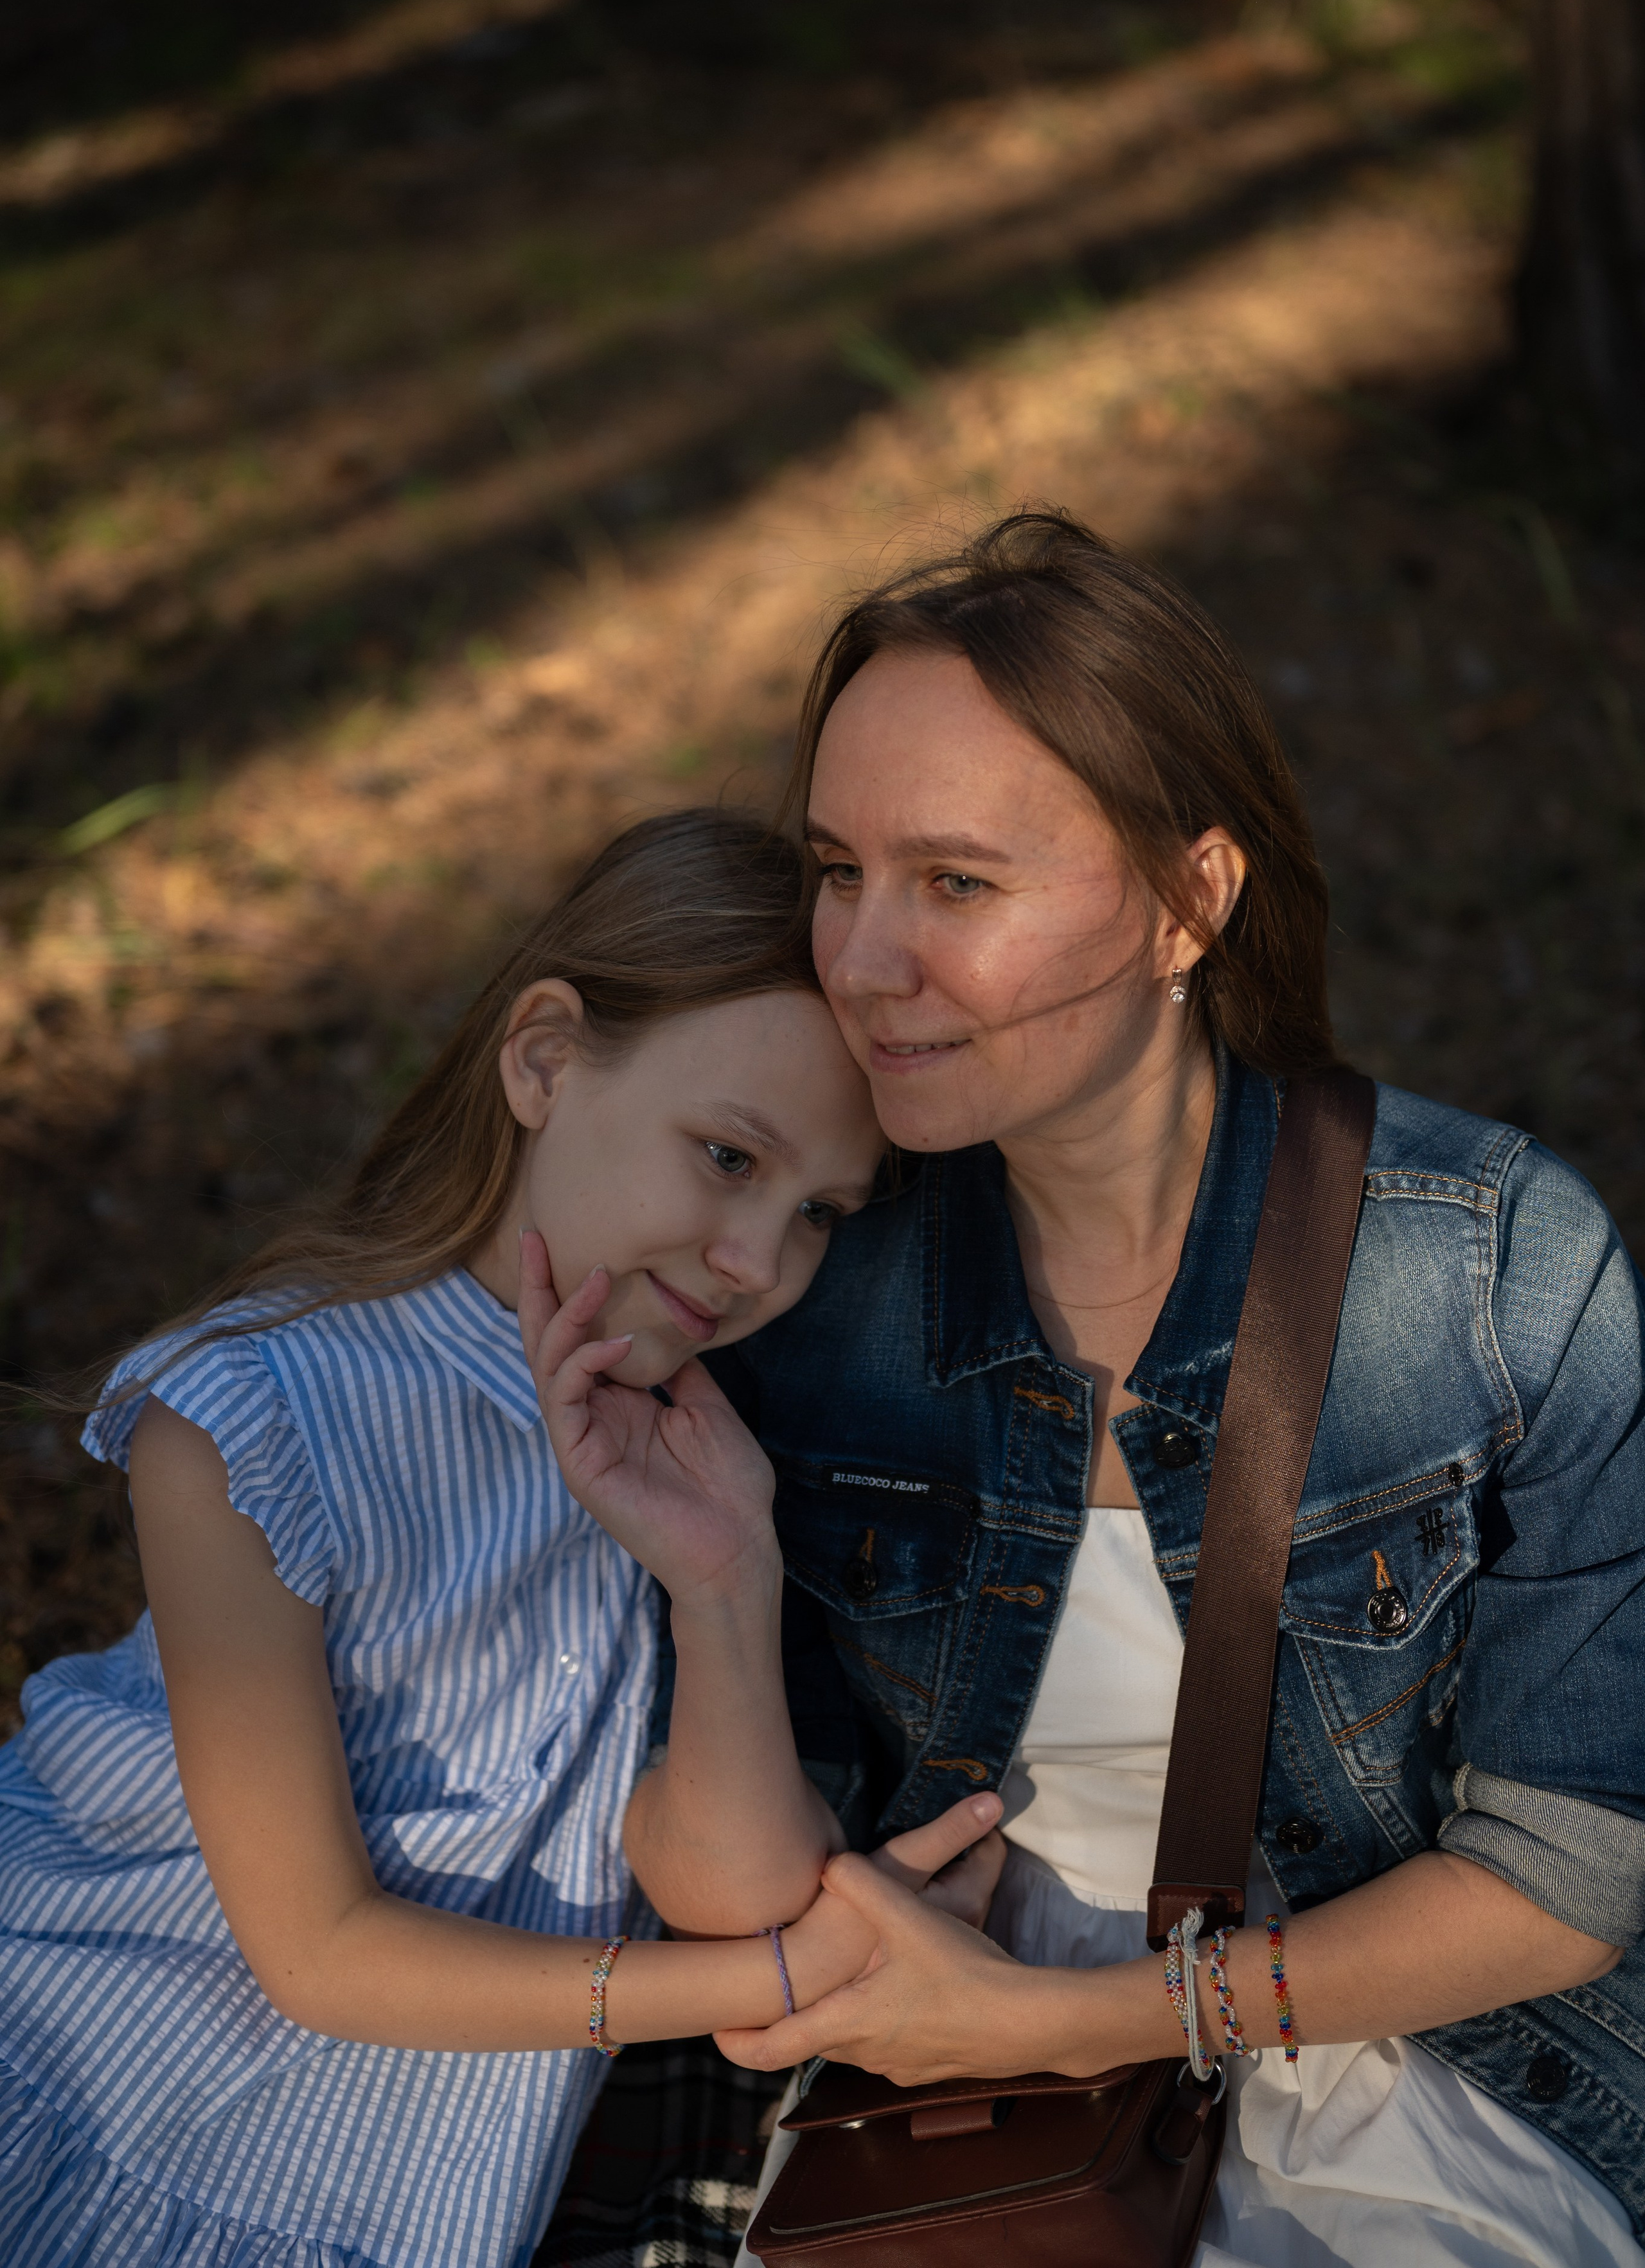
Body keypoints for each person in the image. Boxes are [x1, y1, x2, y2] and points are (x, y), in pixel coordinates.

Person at [618, 518, 1645, 2264]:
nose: (863, 961)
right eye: (839, 869)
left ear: (1192, 901)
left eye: (955, 883)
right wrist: (718, 1596)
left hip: (1425, 2089)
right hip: (939, 2110)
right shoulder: (797, 1288)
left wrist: (1078, 2020)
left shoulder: (1491, 1273)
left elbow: (1568, 1877)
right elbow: (736, 1873)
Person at [0, 808, 999, 2268]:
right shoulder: (259, 1414)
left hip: (398, 2194)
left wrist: (722, 1583)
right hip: (102, 2102)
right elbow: (321, 1953)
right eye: (727, 1156)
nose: (755, 1262)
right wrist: (777, 1977)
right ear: (542, 1056)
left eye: (817, 1216)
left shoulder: (694, 1446)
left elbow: (734, 1883)